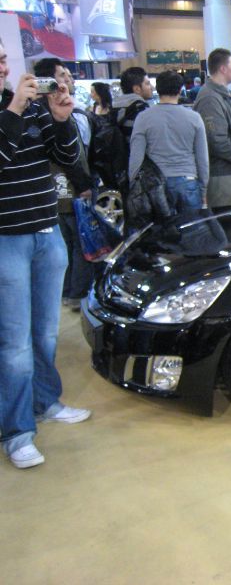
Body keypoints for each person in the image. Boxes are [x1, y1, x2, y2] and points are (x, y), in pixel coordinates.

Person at [0, 41, 91, 470]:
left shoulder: (33, 105)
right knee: (14, 343)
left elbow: (68, 160)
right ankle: (17, 432)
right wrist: (15, 109)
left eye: (3, 57)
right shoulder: (18, 106)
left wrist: (61, 118)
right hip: (7, 239)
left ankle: (45, 401)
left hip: (46, 232)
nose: (3, 66)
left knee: (45, 334)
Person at [33, 57, 94, 311]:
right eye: (62, 75)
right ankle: (76, 292)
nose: (67, 80)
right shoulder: (46, 114)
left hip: (54, 192)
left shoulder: (51, 111)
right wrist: (83, 184)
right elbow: (72, 157)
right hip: (65, 190)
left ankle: (68, 291)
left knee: (66, 244)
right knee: (79, 243)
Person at [129, 70, 209, 213]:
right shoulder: (194, 118)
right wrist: (203, 189)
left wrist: (133, 187)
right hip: (188, 180)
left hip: (157, 183)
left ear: (157, 89)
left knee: (163, 226)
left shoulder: (143, 118)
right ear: (180, 90)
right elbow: (202, 158)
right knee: (191, 225)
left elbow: (136, 157)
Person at [194, 48, 231, 208]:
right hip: (223, 175)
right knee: (226, 220)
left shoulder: (223, 95)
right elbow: (217, 142)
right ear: (223, 68)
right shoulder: (210, 98)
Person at [112, 66, 152, 145]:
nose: (151, 87)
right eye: (147, 84)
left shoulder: (112, 107)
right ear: (137, 89)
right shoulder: (141, 109)